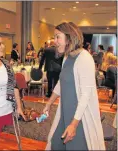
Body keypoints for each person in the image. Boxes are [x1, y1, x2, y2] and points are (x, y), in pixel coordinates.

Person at [43, 22, 105, 150]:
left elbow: (86, 95)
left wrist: (74, 124)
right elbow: (61, 83)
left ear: (69, 37)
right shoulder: (67, 57)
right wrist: (49, 104)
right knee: (55, 144)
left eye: (57, 37)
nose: (55, 41)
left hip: (79, 117)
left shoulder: (84, 58)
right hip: (65, 112)